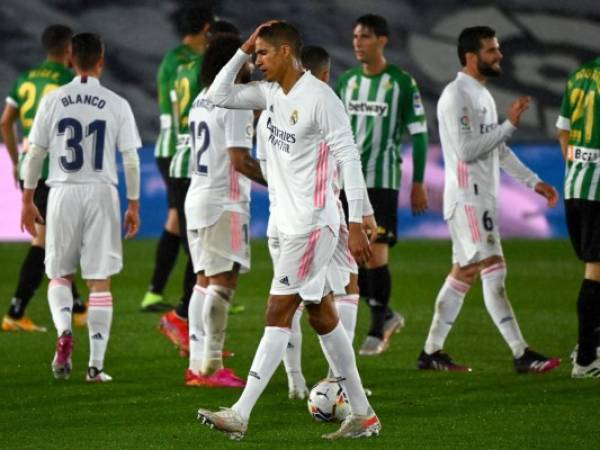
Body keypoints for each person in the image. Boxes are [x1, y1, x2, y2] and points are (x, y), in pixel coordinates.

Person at [196, 21, 380, 440]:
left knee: (277, 311)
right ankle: (363, 413)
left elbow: (348, 157)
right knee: (320, 314)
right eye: (254, 54)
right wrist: (242, 49)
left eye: (262, 53)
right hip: (289, 222)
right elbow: (217, 95)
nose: (256, 62)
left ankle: (240, 413)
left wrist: (356, 220)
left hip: (313, 224)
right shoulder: (270, 93)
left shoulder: (319, 98)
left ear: (284, 52)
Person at [417, 26, 561, 374]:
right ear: (471, 56)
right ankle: (520, 352)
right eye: (492, 50)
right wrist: (509, 124)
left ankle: (431, 352)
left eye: (498, 49)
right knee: (494, 267)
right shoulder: (456, 96)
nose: (500, 56)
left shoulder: (481, 95)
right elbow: (466, 152)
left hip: (480, 198)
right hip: (469, 198)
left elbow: (498, 147)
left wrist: (534, 181)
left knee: (464, 273)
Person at [20, 32, 141, 382]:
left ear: (70, 60)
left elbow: (35, 153)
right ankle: (95, 366)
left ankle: (64, 332)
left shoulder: (54, 100)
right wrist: (133, 204)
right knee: (99, 281)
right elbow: (131, 160)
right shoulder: (117, 103)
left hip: (62, 191)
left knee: (60, 273)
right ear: (101, 61)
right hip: (101, 191)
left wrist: (27, 199)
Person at [273, 45, 376, 399]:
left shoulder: (276, 106)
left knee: (306, 300)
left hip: (292, 219)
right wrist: (361, 216)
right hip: (315, 219)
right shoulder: (324, 104)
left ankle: (309, 381)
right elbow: (346, 162)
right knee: (313, 298)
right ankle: (335, 384)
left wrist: (364, 214)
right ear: (327, 74)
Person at [337, 14, 428, 356]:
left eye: (366, 36)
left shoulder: (402, 83)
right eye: (356, 36)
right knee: (351, 258)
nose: (358, 42)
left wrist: (418, 182)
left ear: (383, 40)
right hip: (348, 181)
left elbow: (419, 135)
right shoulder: (346, 82)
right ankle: (385, 313)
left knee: (375, 255)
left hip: (382, 180)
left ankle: (377, 326)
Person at [184, 35, 265, 388]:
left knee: (202, 282)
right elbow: (239, 159)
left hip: (198, 196)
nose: (251, 65)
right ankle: (212, 366)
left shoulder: (202, 99)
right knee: (223, 282)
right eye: (247, 59)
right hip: (223, 201)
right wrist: (278, 181)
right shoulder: (233, 99)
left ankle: (197, 363)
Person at [1, 24, 87, 332]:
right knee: (46, 241)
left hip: (30, 166)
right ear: (68, 51)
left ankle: (77, 306)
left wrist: (15, 161)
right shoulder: (69, 80)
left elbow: (5, 121)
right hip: (57, 170)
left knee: (56, 240)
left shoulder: (26, 78)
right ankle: (15, 310)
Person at [140, 5, 214, 312]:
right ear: (207, 29)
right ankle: (205, 286)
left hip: (173, 146)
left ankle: (156, 292)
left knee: (176, 219)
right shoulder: (191, 62)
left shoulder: (173, 60)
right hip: (178, 148)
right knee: (189, 226)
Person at [556, 56, 600, 378]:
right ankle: (586, 358)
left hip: (576, 185)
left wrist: (578, 168)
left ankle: (590, 345)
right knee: (595, 272)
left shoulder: (579, 76)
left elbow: (563, 132)